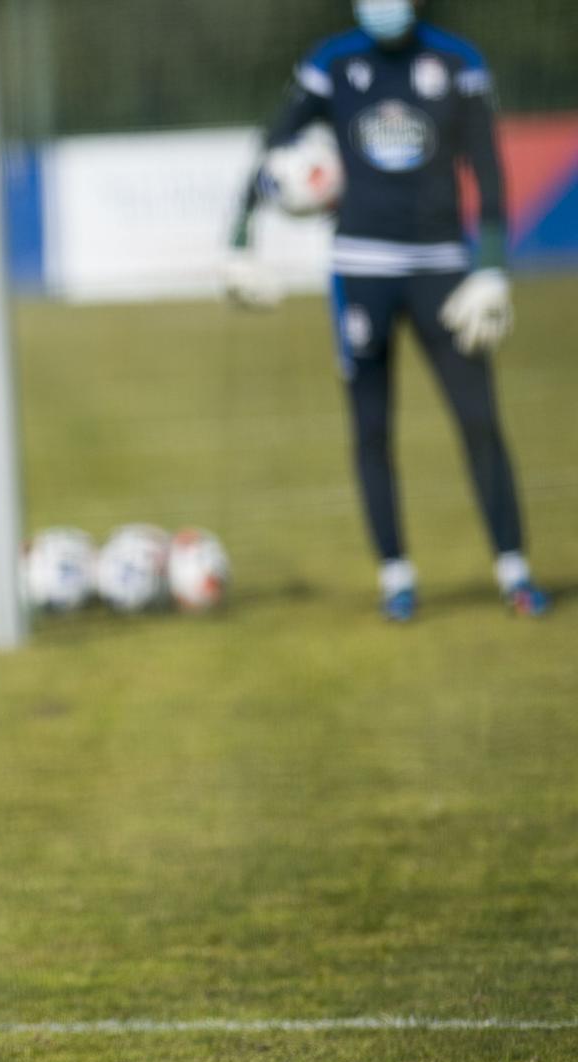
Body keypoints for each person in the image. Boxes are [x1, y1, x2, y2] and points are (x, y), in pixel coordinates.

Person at [224, 0, 548, 621]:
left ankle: (515, 570)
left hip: (443, 273)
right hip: (361, 272)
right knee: (372, 430)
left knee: (479, 418)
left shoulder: (458, 62)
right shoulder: (333, 62)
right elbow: (274, 142)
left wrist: (491, 266)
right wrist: (239, 236)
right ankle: (395, 577)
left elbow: (487, 164)